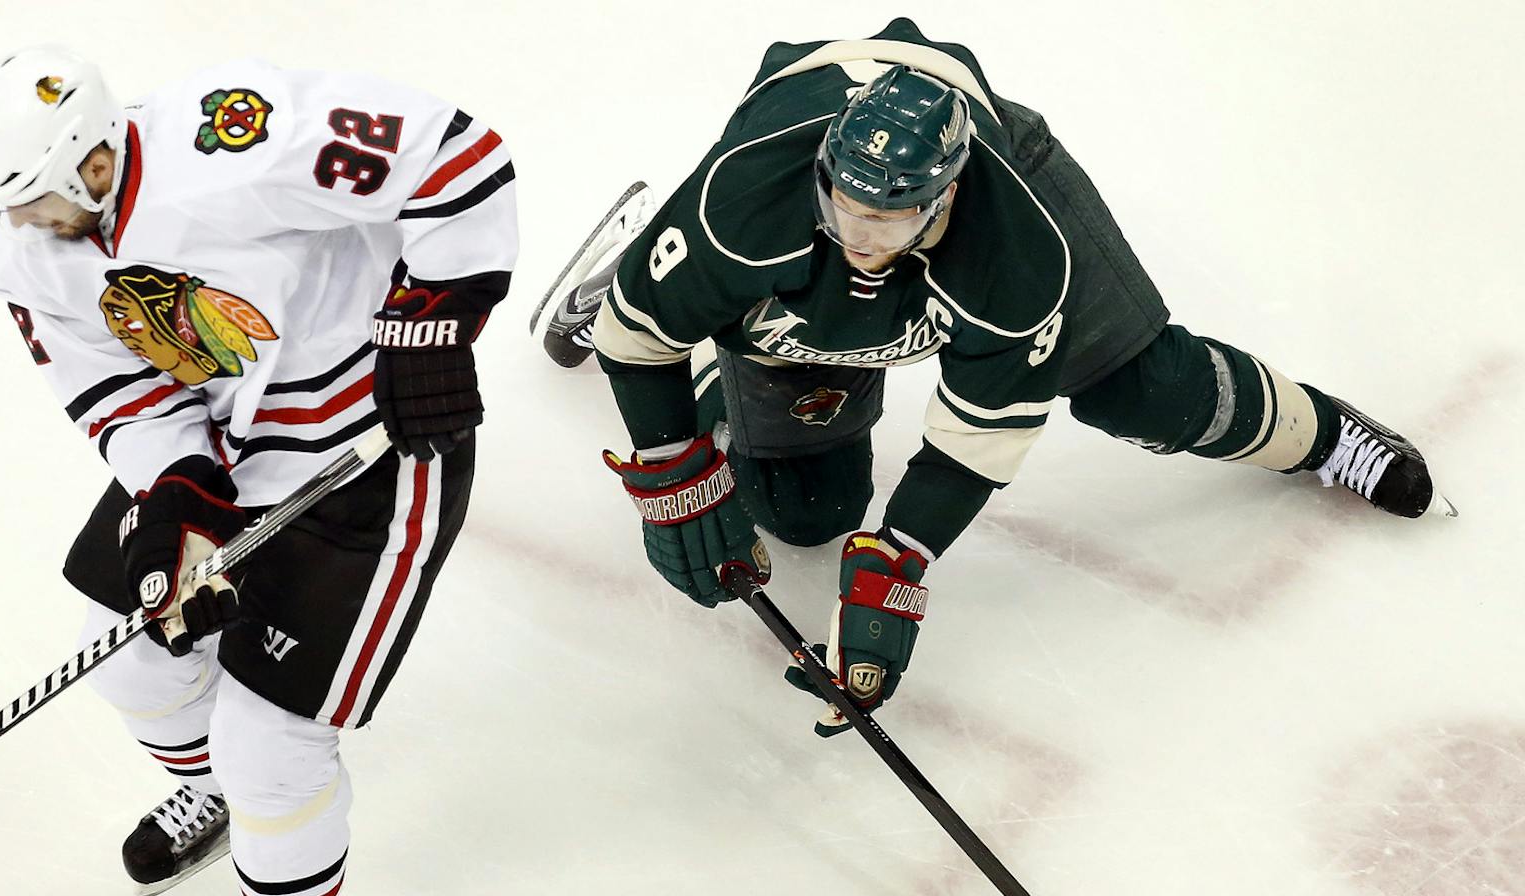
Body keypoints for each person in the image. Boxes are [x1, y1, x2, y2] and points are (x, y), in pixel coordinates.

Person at [534, 18, 1447, 734]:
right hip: (762, 208)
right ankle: (661, 269)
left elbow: (977, 436)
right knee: (805, 511)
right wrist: (675, 472)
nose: (860, 239)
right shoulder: (748, 199)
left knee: (1145, 387)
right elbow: (636, 343)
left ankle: (1329, 438)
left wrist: (901, 560)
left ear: (943, 197)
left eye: (888, 224)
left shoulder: (1016, 258)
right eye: (843, 207)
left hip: (1003, 168)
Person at [0, 47, 516, 896]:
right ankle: (208, 790)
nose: (21, 226)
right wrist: (177, 497)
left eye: (34, 200)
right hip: (234, 456)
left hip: (374, 462)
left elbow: (457, 159)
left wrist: (432, 319)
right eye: (3, 206)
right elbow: (118, 392)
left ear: (88, 163)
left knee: (273, 742)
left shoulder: (235, 141)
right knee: (128, 661)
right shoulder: (26, 258)